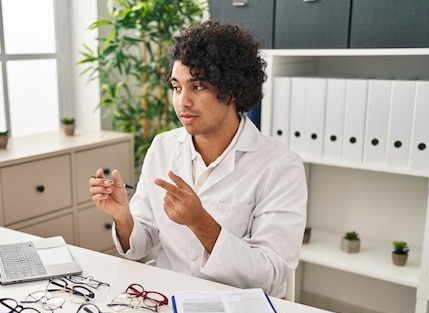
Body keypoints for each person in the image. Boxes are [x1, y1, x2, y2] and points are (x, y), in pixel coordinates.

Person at [89, 20, 307, 298]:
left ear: (233, 90)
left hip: (238, 308)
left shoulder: (280, 165)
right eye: (177, 87)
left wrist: (200, 222)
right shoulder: (163, 146)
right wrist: (123, 216)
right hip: (168, 299)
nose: (182, 103)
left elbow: (270, 274)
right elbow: (142, 243)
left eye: (198, 86)